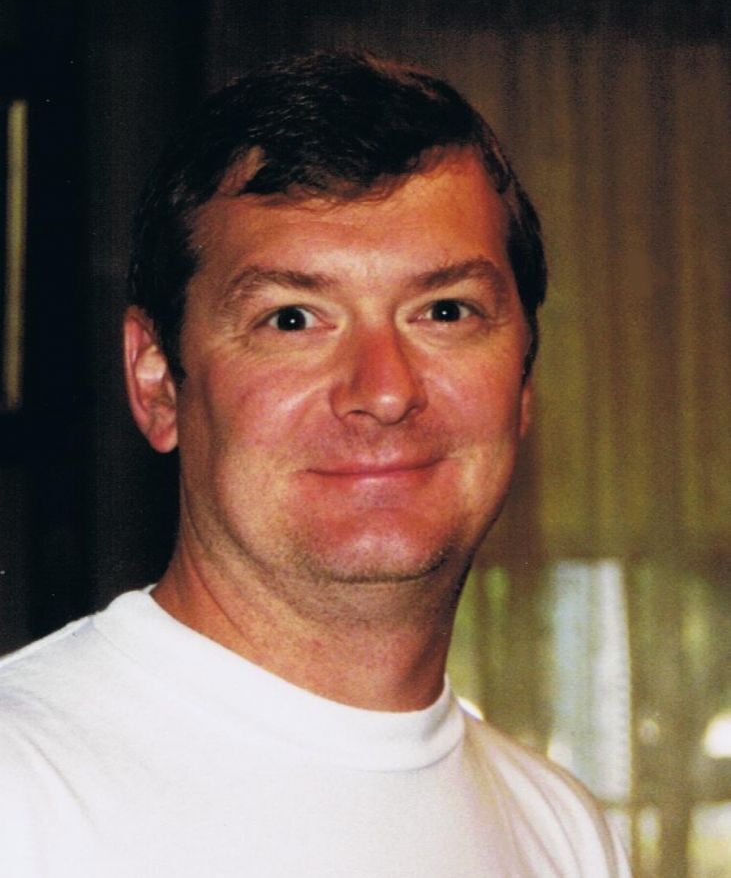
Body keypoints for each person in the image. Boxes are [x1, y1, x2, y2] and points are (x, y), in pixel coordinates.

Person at [0, 51, 630, 876]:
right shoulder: (22, 786)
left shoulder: (562, 831)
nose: (384, 390)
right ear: (157, 384)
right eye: (292, 319)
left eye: (444, 311)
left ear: (522, 382)